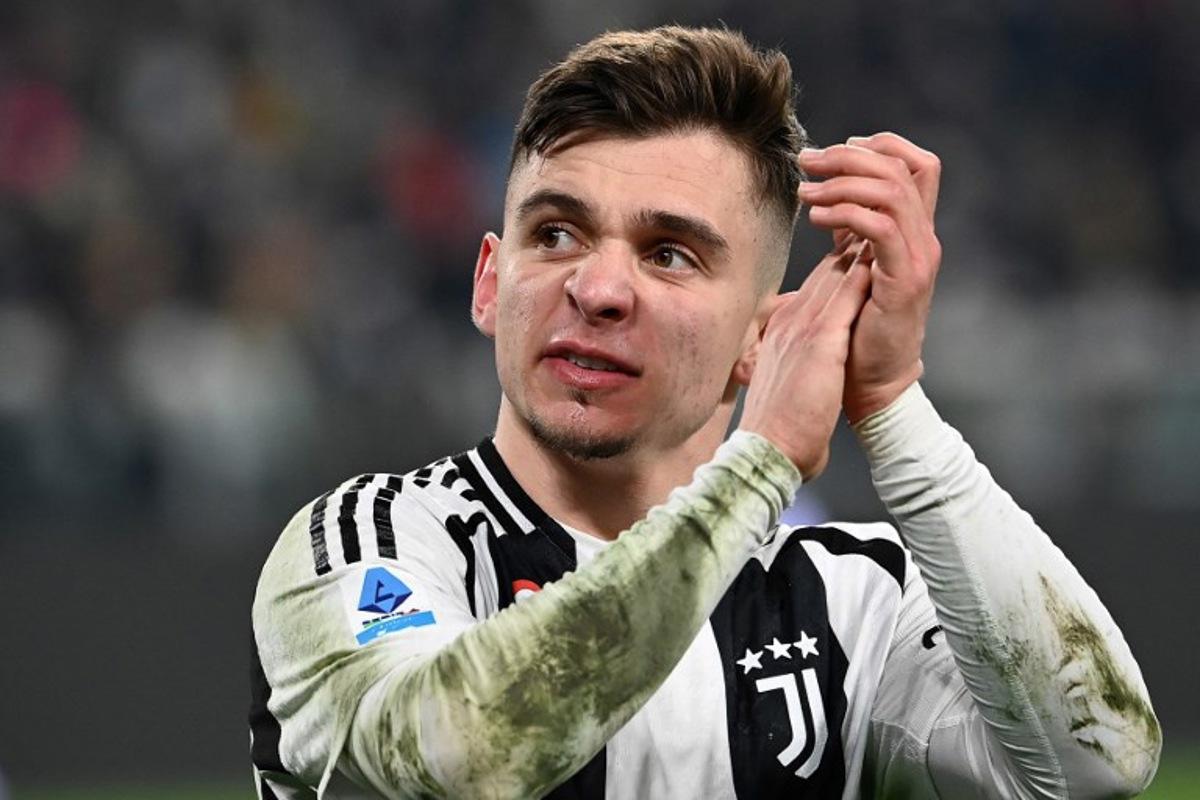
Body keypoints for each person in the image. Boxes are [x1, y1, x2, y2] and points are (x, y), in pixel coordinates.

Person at [250, 26, 1161, 799]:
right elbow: (458, 755)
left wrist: (890, 405)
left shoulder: (852, 602)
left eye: (670, 254)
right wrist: (758, 464)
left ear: (765, 342)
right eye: (555, 233)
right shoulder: (377, 541)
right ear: (491, 282)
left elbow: (1100, 760)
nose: (598, 288)